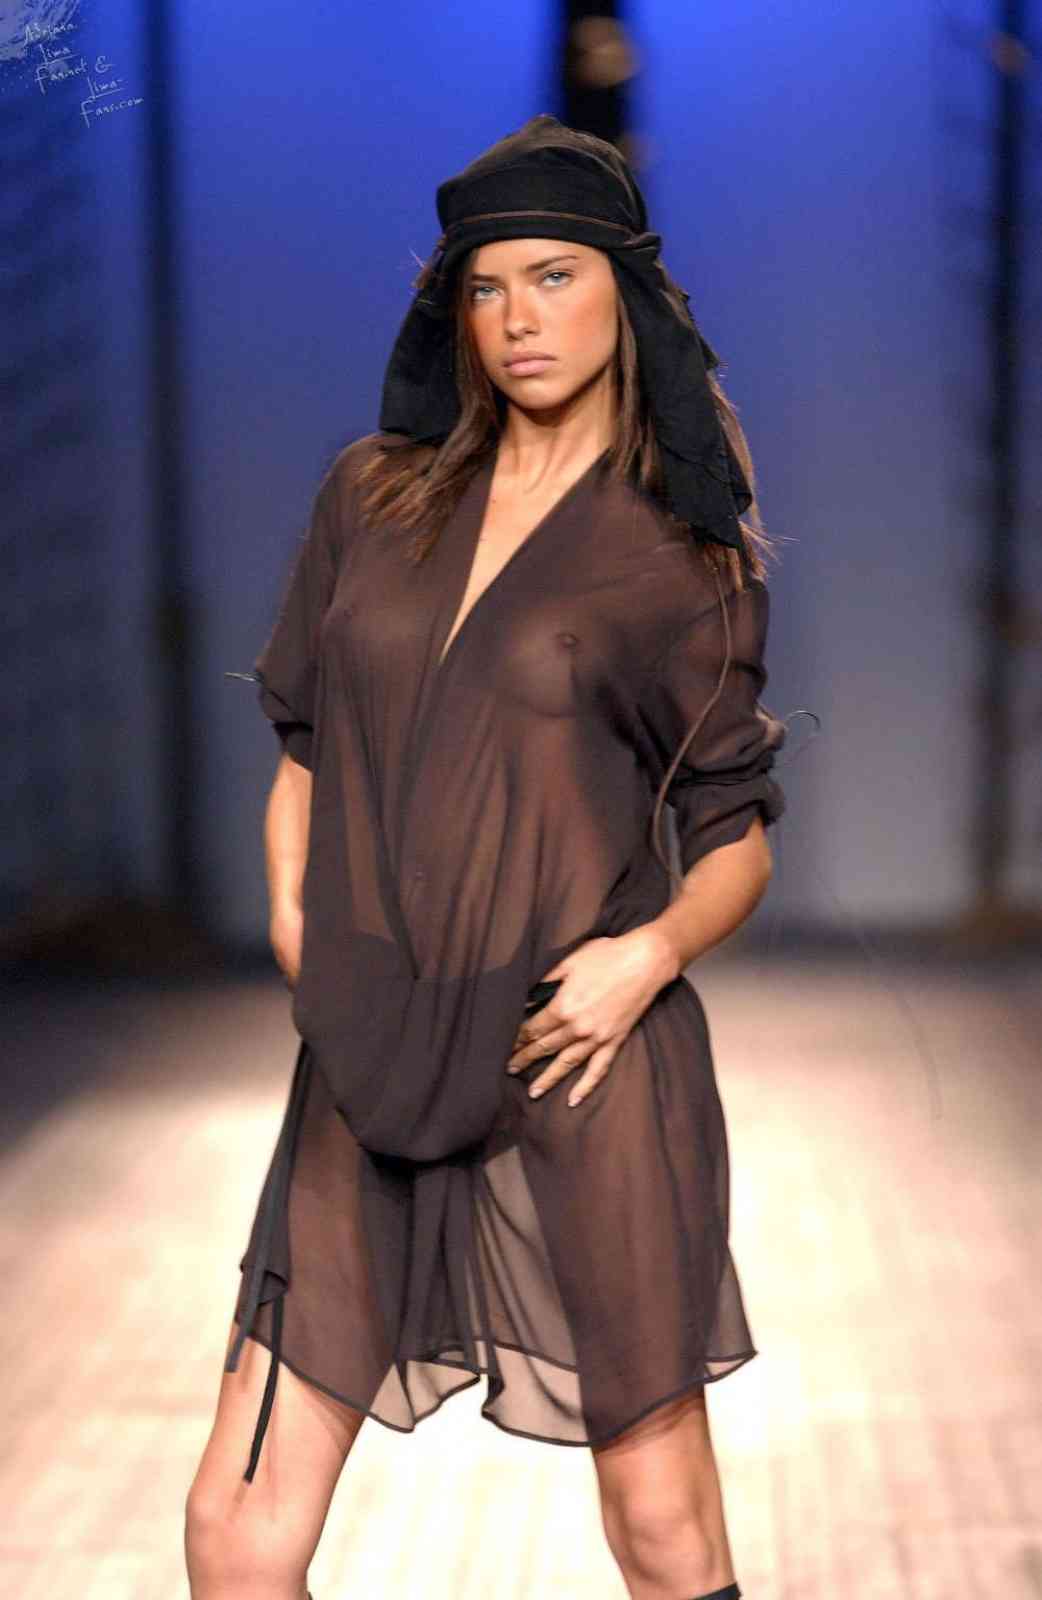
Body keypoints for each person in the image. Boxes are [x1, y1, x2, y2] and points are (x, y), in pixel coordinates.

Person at [186, 114, 790, 1600]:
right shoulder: (374, 495)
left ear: (622, 294)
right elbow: (305, 753)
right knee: (234, 1529)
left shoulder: (677, 552)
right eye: (484, 286)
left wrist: (645, 957)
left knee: (662, 1530)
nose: (518, 317)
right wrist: (305, 937)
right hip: (372, 1041)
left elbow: (732, 832)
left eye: (553, 276)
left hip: (578, 1054)